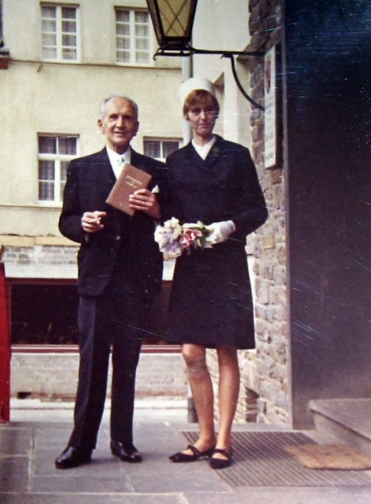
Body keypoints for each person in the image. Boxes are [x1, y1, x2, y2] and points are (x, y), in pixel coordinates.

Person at [55, 95, 166, 469]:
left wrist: (156, 209)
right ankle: (80, 445)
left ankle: (123, 440)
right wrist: (83, 226)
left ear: (136, 126)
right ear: (100, 124)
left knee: (127, 364)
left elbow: (173, 218)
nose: (120, 123)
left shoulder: (155, 170)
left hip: (136, 282)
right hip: (96, 283)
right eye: (113, 117)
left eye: (127, 117)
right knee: (91, 365)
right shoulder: (81, 168)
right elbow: (66, 220)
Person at [162, 77, 268, 469]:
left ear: (216, 112)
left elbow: (258, 210)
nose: (203, 117)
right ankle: (203, 436)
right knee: (191, 352)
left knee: (226, 349)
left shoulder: (236, 156)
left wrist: (230, 226)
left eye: (208, 109)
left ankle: (223, 440)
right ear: (187, 115)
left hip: (226, 263)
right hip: (193, 265)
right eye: (195, 110)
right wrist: (171, 234)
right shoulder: (176, 162)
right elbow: (169, 212)